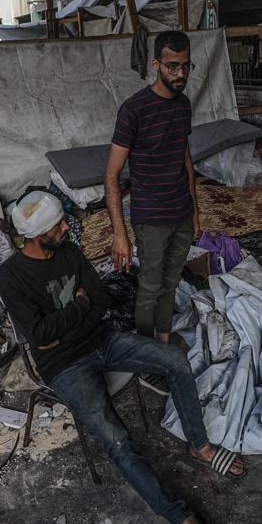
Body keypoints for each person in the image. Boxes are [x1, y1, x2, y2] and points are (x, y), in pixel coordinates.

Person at [0, 191, 244, 524]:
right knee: (116, 439)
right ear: (37, 235)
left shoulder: (69, 252)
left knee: (174, 359)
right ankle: (185, 522)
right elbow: (42, 338)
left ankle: (199, 445)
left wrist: (75, 315)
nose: (67, 228)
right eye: (59, 225)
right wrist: (78, 309)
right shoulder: (10, 275)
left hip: (101, 340)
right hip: (63, 366)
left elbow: (101, 298)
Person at [105, 30, 199, 351]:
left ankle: (162, 340)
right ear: (156, 64)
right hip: (151, 218)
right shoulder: (134, 110)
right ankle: (147, 353)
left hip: (181, 214)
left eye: (186, 66)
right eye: (173, 67)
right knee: (149, 288)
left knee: (172, 282)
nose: (180, 74)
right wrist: (120, 233)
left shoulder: (183, 104)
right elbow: (112, 174)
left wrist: (195, 212)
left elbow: (185, 157)